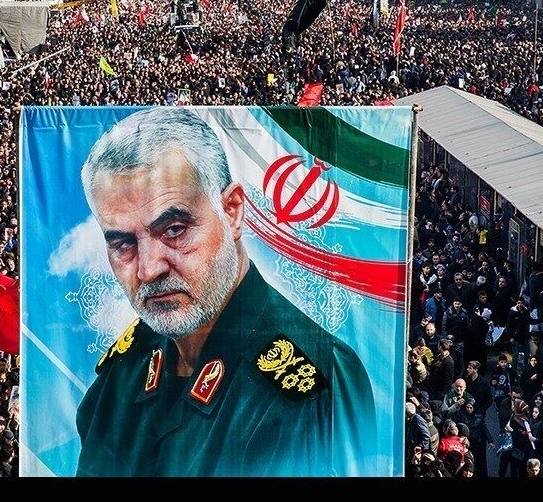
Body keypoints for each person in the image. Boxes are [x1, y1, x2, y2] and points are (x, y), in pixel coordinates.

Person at [74, 109, 375, 476]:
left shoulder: (317, 386)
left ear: (231, 212)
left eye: (174, 230)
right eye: (123, 244)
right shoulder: (121, 374)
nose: (149, 269)